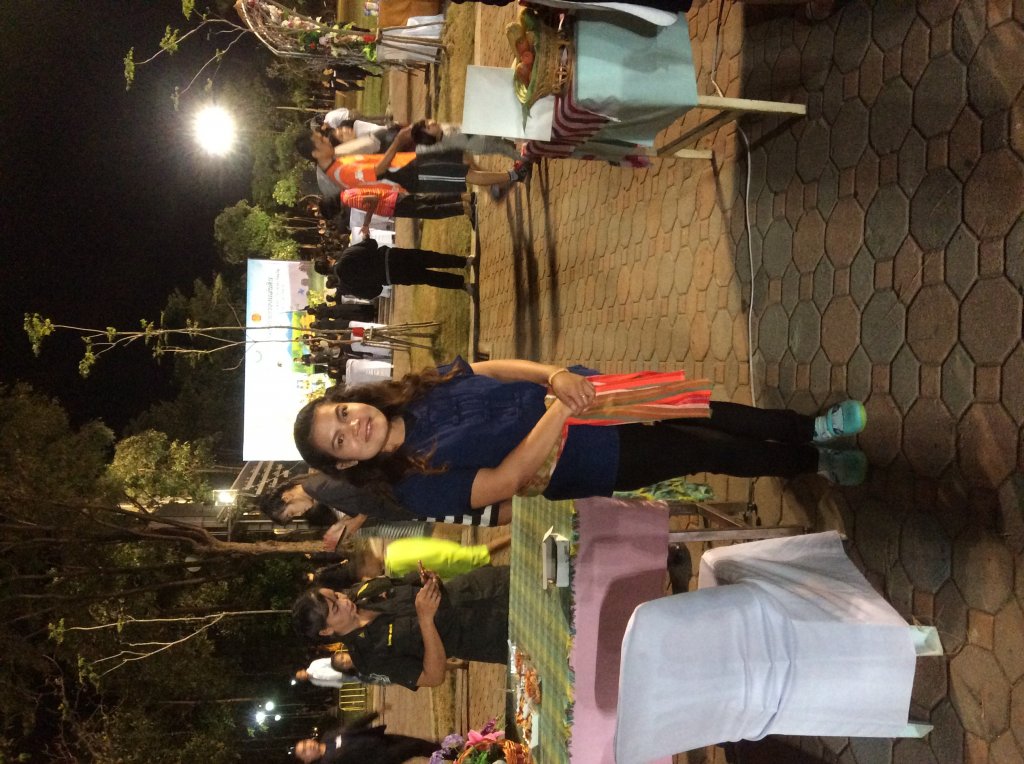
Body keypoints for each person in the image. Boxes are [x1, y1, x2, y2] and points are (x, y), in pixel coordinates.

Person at [292, 358, 869, 521]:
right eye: (340, 441)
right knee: (703, 448)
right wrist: (559, 413)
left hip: (585, 393)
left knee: (702, 408)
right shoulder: (413, 489)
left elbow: (494, 368)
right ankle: (812, 463)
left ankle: (810, 428)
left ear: (351, 398)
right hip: (588, 457)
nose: (353, 426)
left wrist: (556, 377)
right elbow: (508, 480)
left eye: (343, 413)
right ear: (345, 465)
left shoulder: (416, 387)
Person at [292, 564, 510, 688]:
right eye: (335, 608)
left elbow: (409, 583)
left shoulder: (365, 591)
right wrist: (426, 621)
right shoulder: (369, 658)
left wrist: (429, 581)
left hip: (484, 585)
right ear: (326, 630)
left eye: (336, 594)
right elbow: (432, 677)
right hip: (487, 635)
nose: (344, 600)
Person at [333, 236, 474, 298]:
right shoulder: (347, 254)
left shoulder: (348, 284)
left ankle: (463, 285)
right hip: (391, 256)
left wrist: (376, 280)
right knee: (429, 258)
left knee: (428, 278)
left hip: (390, 275)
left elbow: (372, 293)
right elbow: (371, 244)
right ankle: (464, 261)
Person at [293, 713, 436, 763]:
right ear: (307, 760)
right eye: (304, 751)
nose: (308, 746)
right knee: (415, 747)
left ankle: (443, 750)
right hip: (383, 757)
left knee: (419, 743)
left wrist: (374, 714)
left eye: (305, 743)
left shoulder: (328, 736)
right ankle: (445, 751)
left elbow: (352, 727)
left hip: (382, 739)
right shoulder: (328, 762)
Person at [337, 187, 474, 238]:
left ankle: (463, 208)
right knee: (428, 201)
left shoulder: (349, 200)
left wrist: (366, 224)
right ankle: (464, 197)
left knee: (430, 211)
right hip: (393, 198)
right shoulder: (347, 192)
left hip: (392, 204)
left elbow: (373, 200)